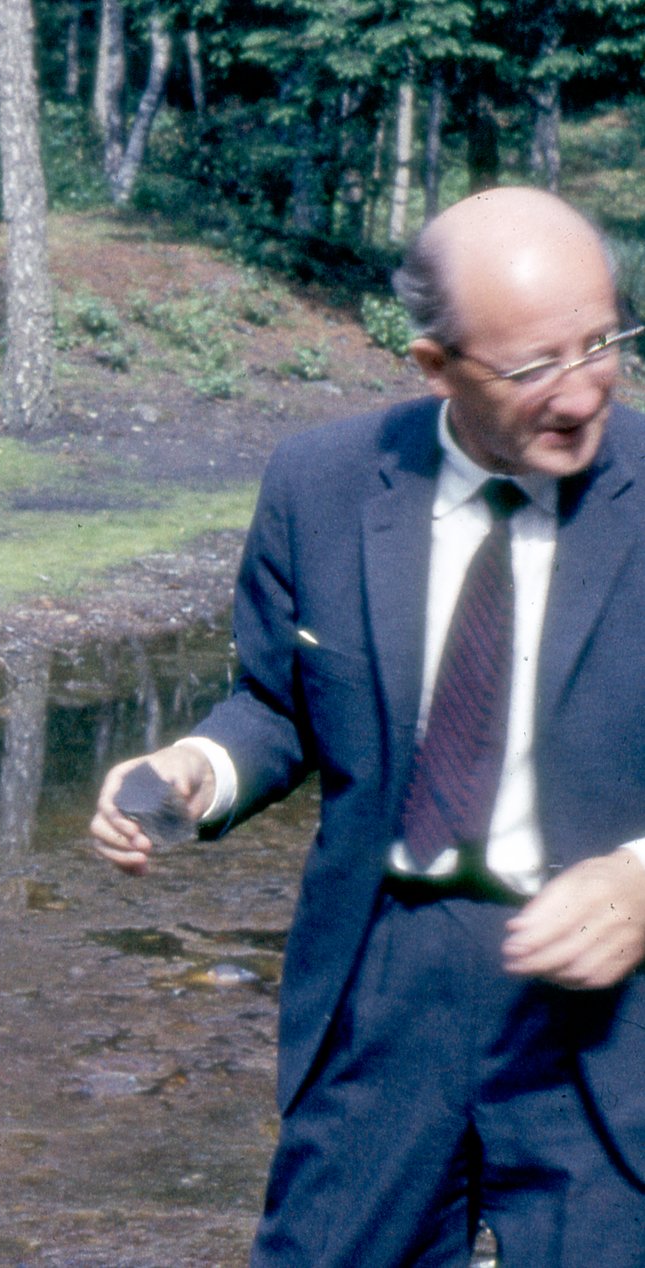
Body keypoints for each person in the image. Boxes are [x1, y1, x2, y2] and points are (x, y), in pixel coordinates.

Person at [90, 186, 645, 1265]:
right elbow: (273, 704)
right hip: (383, 976)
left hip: (612, 993)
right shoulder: (321, 482)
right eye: (533, 366)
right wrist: (195, 766)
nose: (581, 394)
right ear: (433, 364)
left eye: (602, 343)